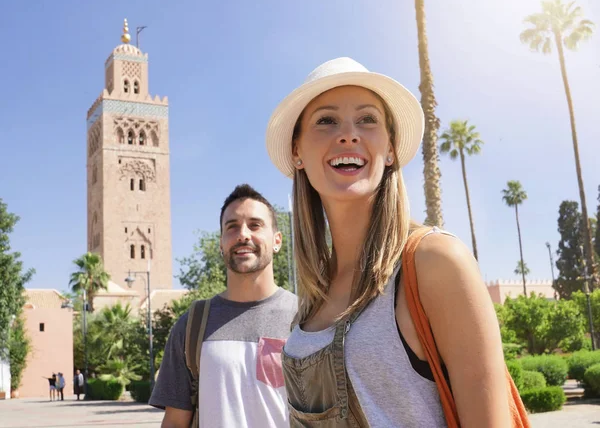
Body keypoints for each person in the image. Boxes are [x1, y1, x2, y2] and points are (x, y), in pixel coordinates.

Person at [265, 57, 514, 427]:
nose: (348, 134)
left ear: (392, 148)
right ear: (297, 151)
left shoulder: (435, 260)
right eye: (326, 120)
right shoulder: (314, 292)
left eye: (367, 119)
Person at [149, 184, 298, 428]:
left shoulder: (307, 319)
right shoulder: (192, 326)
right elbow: (175, 422)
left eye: (255, 224)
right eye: (232, 227)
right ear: (221, 243)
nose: (243, 234)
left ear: (277, 240)